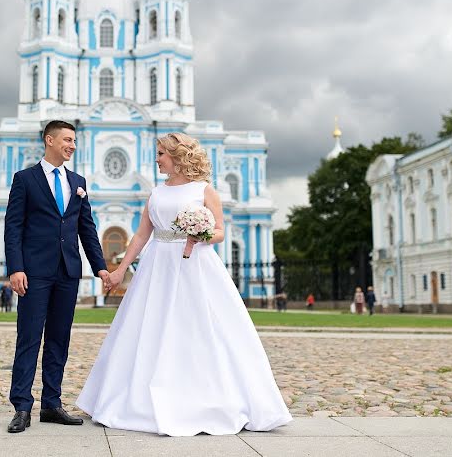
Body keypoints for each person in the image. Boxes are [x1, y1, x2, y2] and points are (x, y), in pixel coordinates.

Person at [76, 132, 291, 436]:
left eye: (161, 153)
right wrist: (120, 270)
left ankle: (207, 397)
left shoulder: (204, 190)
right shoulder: (156, 194)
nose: (157, 158)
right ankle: (136, 399)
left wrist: (199, 235)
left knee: (199, 326)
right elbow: (140, 237)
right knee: (150, 326)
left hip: (195, 268)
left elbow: (219, 232)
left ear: (177, 157)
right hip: (158, 266)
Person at [5, 121, 111, 434]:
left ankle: (52, 404)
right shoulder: (25, 179)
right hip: (33, 273)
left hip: (67, 272)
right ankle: (22, 406)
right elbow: (13, 227)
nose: (72, 145)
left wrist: (100, 267)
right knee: (29, 338)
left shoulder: (78, 181)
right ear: (49, 140)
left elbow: (86, 229)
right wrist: (15, 268)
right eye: (67, 139)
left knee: (58, 340)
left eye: (74, 140)